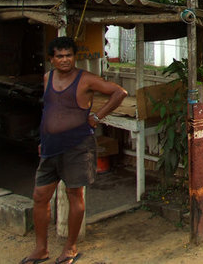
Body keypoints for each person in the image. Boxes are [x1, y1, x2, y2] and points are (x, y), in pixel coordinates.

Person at [20, 36, 127, 264]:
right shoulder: (47, 78)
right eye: (60, 56)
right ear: (52, 59)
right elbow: (50, 110)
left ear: (74, 57)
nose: (65, 60)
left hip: (77, 147)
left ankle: (70, 248)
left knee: (74, 195)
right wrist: (43, 138)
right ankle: (41, 249)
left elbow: (119, 92)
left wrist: (97, 117)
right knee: (40, 196)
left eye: (69, 55)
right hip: (50, 147)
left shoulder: (85, 79)